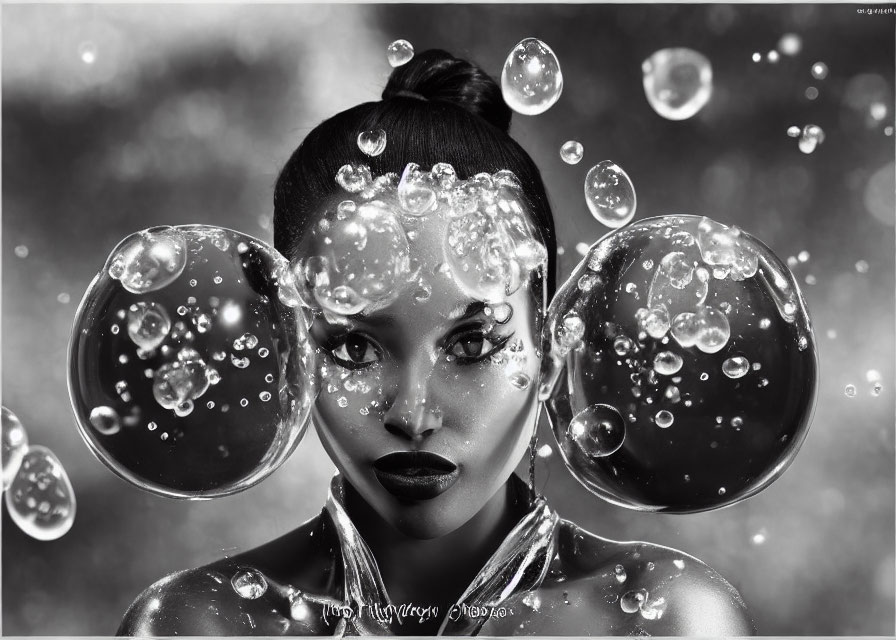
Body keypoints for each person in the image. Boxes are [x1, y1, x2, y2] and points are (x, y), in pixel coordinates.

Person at [117, 49, 755, 636]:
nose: (412, 413)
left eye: (474, 344)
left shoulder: (661, 619)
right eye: (354, 348)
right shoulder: (204, 625)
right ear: (292, 359)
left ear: (553, 351)